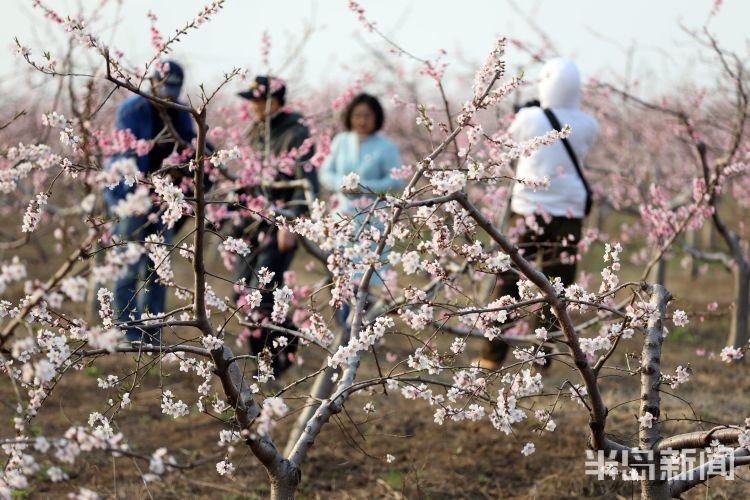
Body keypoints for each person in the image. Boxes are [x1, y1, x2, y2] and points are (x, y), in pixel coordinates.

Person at [478, 58, 598, 370]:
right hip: (568, 214)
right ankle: (541, 356)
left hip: (528, 209)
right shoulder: (588, 123)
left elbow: (512, 141)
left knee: (509, 282)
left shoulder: (528, 117)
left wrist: (528, 112)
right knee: (556, 287)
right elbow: (582, 150)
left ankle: (491, 357)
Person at [103, 61, 197, 346]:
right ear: (152, 83)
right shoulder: (132, 110)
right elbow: (126, 159)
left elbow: (192, 146)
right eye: (162, 88)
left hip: (162, 201)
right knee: (128, 266)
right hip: (129, 196)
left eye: (172, 90)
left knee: (158, 270)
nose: (166, 96)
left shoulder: (180, 114)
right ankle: (126, 332)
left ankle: (152, 334)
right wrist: (138, 191)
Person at [233, 75, 318, 377]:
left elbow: (305, 182)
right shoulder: (255, 132)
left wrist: (290, 222)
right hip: (251, 224)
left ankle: (268, 362)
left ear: (276, 102)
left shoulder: (296, 134)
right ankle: (283, 342)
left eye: (259, 100)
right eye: (252, 101)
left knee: (262, 294)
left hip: (279, 222)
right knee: (241, 292)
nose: (253, 106)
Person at [319, 93, 403, 325]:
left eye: (367, 116)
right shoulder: (341, 141)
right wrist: (342, 185)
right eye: (357, 115)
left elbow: (395, 180)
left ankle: (357, 329)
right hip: (342, 216)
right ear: (349, 117)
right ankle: (344, 327)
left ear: (377, 118)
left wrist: (365, 188)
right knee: (338, 275)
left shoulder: (386, 146)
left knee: (361, 278)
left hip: (372, 220)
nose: (362, 120)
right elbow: (325, 173)